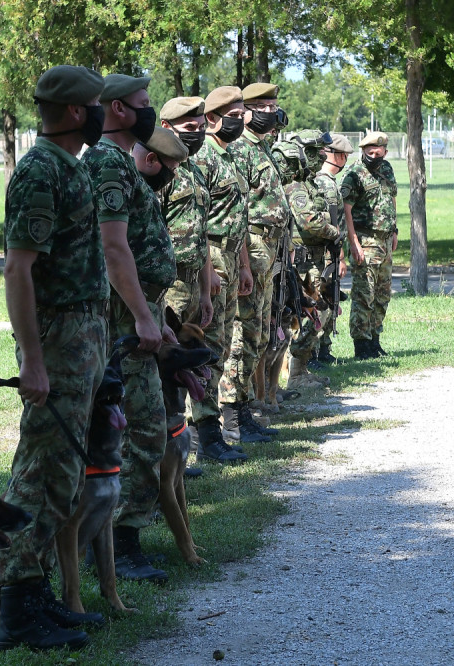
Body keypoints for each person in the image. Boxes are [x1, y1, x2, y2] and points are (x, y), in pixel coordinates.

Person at [0, 65, 109, 651]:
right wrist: (33, 361)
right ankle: (15, 609)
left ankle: (35, 596)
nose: (103, 112)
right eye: (95, 104)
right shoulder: (41, 171)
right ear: (71, 112)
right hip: (57, 341)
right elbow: (19, 268)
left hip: (81, 339)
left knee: (63, 477)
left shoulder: (71, 167)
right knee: (39, 476)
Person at [82, 73, 178, 584]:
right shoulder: (108, 164)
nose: (150, 114)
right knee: (142, 430)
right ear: (117, 109)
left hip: (136, 315)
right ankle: (121, 543)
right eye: (144, 105)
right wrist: (143, 317)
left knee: (146, 429)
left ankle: (124, 541)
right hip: (122, 323)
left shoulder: (120, 162)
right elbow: (112, 248)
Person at [223, 81, 292, 443]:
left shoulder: (263, 148)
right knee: (242, 332)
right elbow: (239, 210)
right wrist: (246, 260)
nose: (271, 112)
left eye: (273, 106)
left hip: (270, 249)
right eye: (263, 106)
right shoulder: (239, 150)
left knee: (260, 334)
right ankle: (231, 415)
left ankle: (247, 409)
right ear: (246, 111)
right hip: (250, 248)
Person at [190, 86, 253, 462]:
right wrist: (210, 268)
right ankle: (204, 434)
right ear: (212, 118)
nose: (241, 119)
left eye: (241, 112)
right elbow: (198, 223)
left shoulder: (228, 158)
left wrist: (243, 263)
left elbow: (239, 217)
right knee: (208, 348)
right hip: (211, 257)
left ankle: (213, 428)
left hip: (231, 255)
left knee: (224, 344)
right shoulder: (206, 159)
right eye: (234, 114)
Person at [285, 129, 342, 388]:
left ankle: (301, 368)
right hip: (304, 264)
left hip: (317, 261)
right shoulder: (296, 186)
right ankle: (295, 374)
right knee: (308, 315)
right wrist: (333, 231)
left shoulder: (310, 183)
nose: (322, 155)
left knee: (320, 315)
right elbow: (308, 221)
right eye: (317, 151)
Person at [159, 96, 215, 331]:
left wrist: (205, 292)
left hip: (192, 284)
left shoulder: (195, 172)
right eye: (190, 128)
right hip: (168, 286)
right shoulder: (160, 172)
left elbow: (201, 235)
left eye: (202, 128)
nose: (198, 134)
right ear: (166, 128)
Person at [341, 131, 397, 360]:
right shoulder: (355, 174)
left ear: (385, 151)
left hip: (385, 239)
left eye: (378, 152)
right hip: (365, 239)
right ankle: (361, 344)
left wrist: (394, 230)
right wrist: (353, 243)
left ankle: (375, 340)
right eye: (370, 152)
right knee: (365, 294)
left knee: (382, 294)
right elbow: (346, 209)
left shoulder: (386, 169)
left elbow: (392, 198)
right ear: (363, 151)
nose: (374, 156)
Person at [311, 133, 354, 365]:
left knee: (329, 301)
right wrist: (340, 257)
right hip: (326, 256)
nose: (345, 160)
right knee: (323, 301)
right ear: (337, 156)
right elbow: (333, 226)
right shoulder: (326, 183)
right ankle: (315, 351)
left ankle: (322, 349)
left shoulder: (325, 181)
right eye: (344, 156)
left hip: (328, 255)